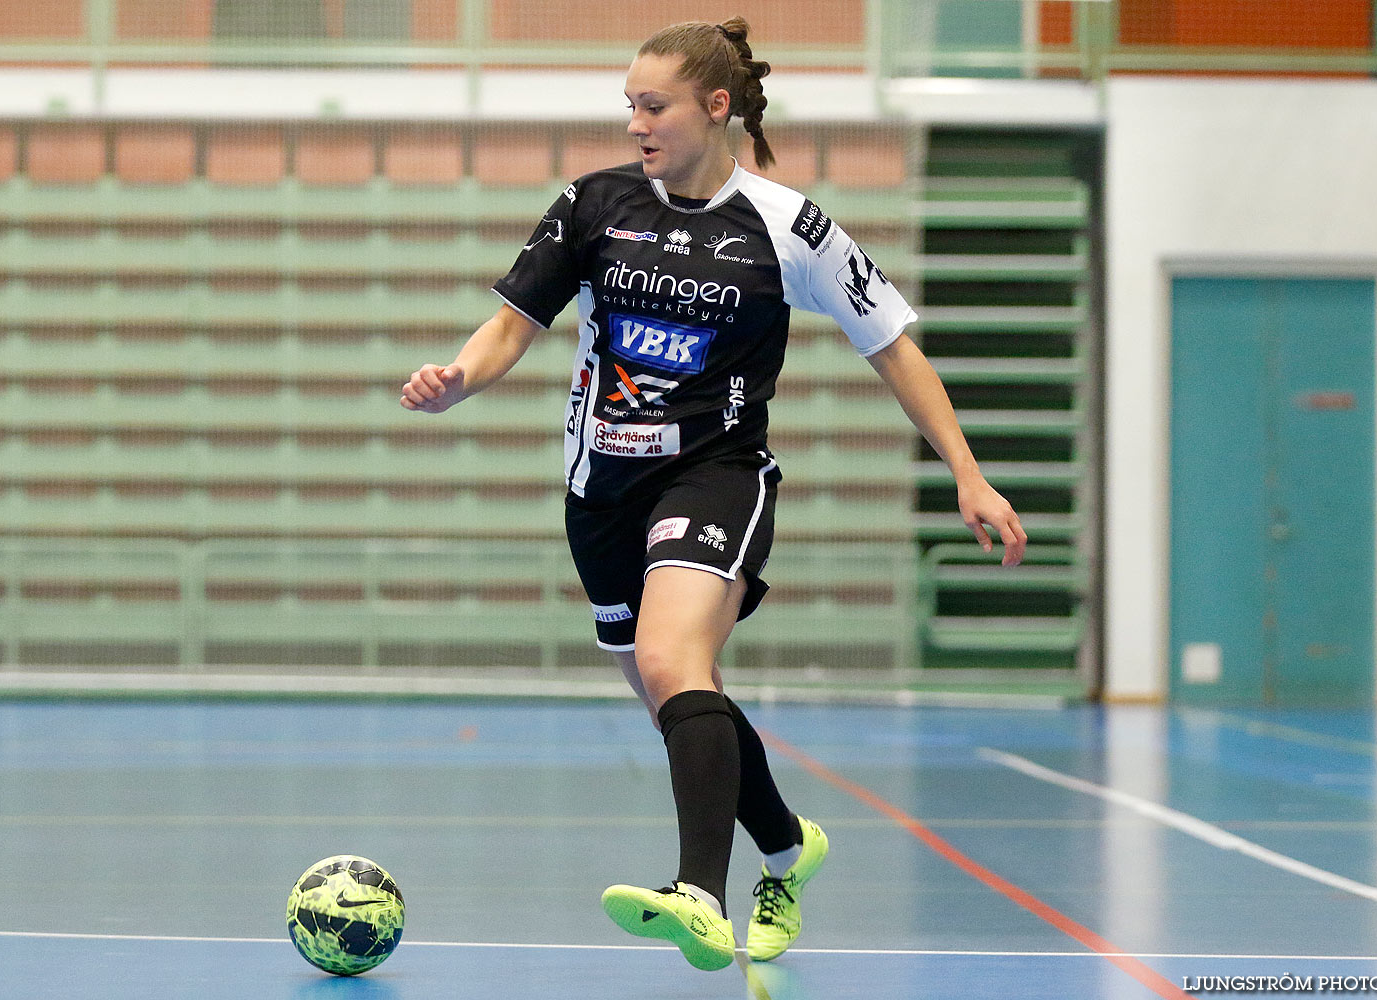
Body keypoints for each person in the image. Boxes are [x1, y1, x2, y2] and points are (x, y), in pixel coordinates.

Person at [400, 17, 1027, 972]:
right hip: (601, 490)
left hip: (717, 474)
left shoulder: (790, 228)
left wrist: (968, 473)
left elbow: (894, 347)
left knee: (670, 653)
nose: (634, 125)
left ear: (716, 107)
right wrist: (457, 378)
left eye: (653, 107)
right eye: (629, 107)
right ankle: (787, 849)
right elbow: (512, 324)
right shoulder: (594, 205)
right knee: (676, 693)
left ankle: (699, 892)